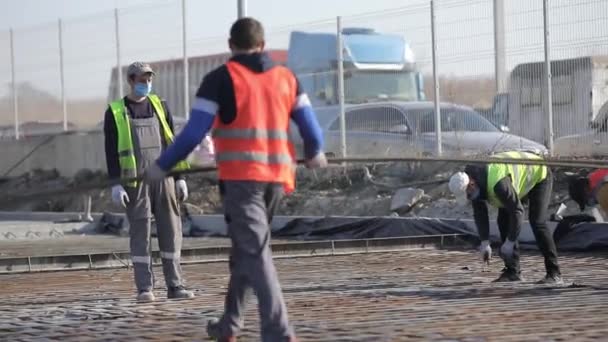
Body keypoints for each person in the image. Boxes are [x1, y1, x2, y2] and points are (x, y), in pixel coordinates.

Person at [143, 17, 326, 341]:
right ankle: (230, 324)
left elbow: (194, 132)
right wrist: (315, 153)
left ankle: (279, 332)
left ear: (231, 46)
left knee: (255, 253)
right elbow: (311, 131)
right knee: (247, 250)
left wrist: (162, 165)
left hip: (243, 182)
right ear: (263, 45)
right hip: (278, 179)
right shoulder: (287, 77)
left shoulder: (220, 79)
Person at [103, 61, 194, 302]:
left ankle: (175, 285)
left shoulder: (160, 106)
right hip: (136, 182)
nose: (147, 83)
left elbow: (172, 143)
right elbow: (111, 151)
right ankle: (145, 288)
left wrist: (180, 178)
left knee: (171, 230)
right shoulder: (115, 111)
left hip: (164, 179)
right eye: (142, 79)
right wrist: (116, 183)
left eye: (149, 79)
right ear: (130, 80)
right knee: (141, 232)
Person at [448, 150, 563, 284]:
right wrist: (484, 242)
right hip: (515, 181)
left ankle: (554, 273)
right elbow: (480, 213)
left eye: (467, 194)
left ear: (472, 184)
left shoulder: (497, 183)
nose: (469, 198)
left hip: (538, 173)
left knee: (537, 222)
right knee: (503, 220)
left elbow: (518, 211)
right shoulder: (473, 182)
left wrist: (510, 242)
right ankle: (512, 272)